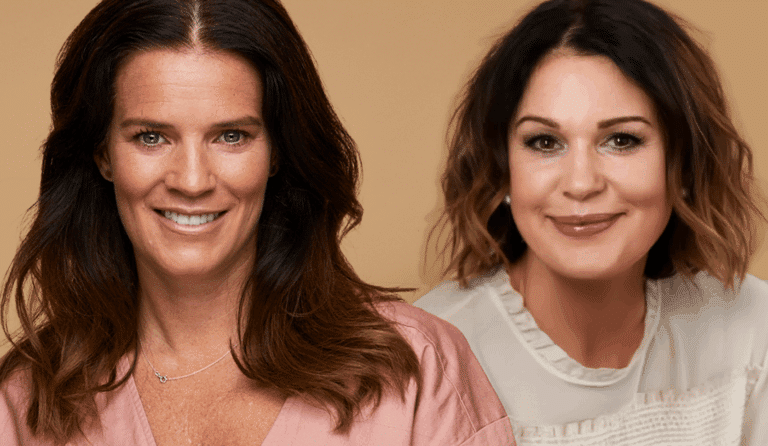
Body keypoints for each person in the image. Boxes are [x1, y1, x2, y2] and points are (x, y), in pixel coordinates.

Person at [0, 1, 514, 445]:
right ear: (103, 154)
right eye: (151, 137)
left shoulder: (418, 370)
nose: (192, 180)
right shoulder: (26, 399)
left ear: (277, 152)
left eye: (231, 136)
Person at [415, 0, 768, 444]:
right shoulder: (428, 359)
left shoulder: (753, 331)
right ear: (501, 169)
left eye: (621, 140)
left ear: (683, 163)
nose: (581, 183)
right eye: (544, 142)